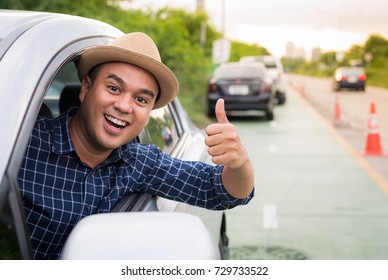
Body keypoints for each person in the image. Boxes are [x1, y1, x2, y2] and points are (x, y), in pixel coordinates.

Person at [18, 32, 255, 259]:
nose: (124, 106)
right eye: (113, 88)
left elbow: (222, 192)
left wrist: (239, 161)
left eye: (141, 99)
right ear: (86, 88)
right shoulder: (23, 147)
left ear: (149, 112)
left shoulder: (139, 163)